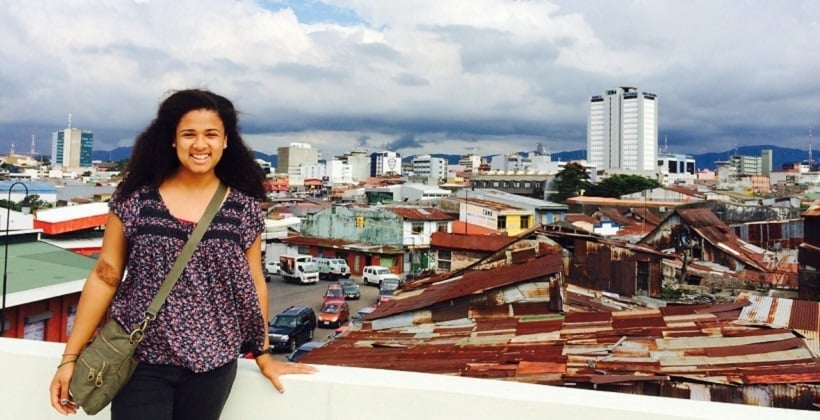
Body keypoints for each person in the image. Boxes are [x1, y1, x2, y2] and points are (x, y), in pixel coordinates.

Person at [49, 89, 316, 419]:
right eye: (189, 134)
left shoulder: (242, 208)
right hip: (140, 360)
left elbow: (254, 283)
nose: (200, 145)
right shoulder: (136, 199)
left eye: (211, 135)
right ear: (172, 140)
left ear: (226, 141)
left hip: (213, 366)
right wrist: (70, 357)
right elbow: (106, 273)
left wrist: (263, 355)